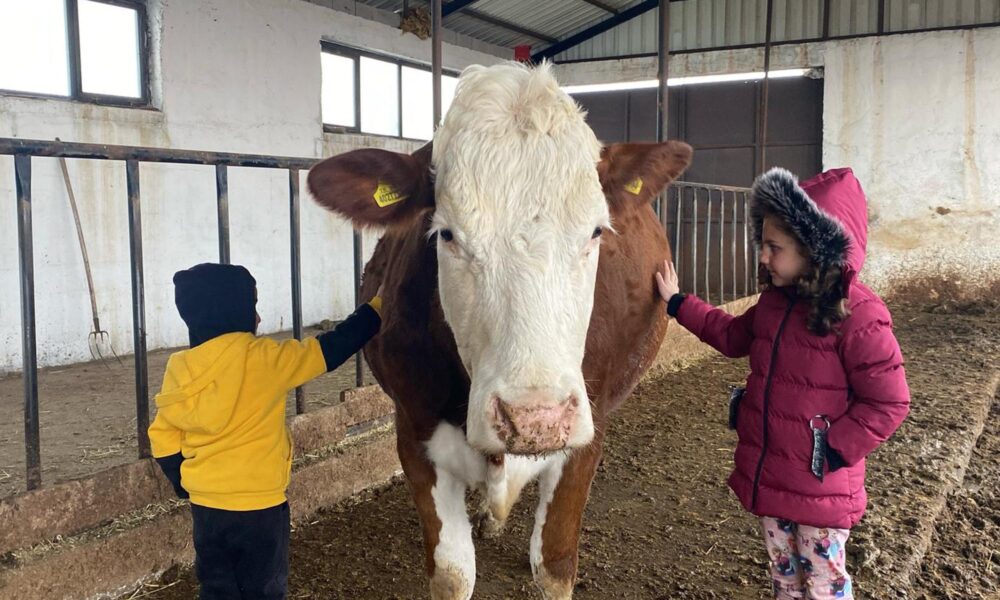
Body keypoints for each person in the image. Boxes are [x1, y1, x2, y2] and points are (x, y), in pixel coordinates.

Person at [655, 167, 910, 599]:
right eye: (764, 244)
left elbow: (889, 402)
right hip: (774, 474)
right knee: (784, 575)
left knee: (824, 581)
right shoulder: (774, 304)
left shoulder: (860, 315)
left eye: (774, 247)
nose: (763, 257)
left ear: (813, 250)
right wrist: (679, 303)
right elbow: (731, 335)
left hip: (821, 483)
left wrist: (831, 449)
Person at [148, 262, 383, 599]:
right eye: (252, 307)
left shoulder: (180, 368)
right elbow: (330, 349)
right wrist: (376, 308)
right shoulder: (265, 359)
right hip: (259, 508)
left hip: (207, 509)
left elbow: (162, 436)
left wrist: (182, 482)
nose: (258, 319)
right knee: (263, 589)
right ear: (234, 311)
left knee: (217, 587)